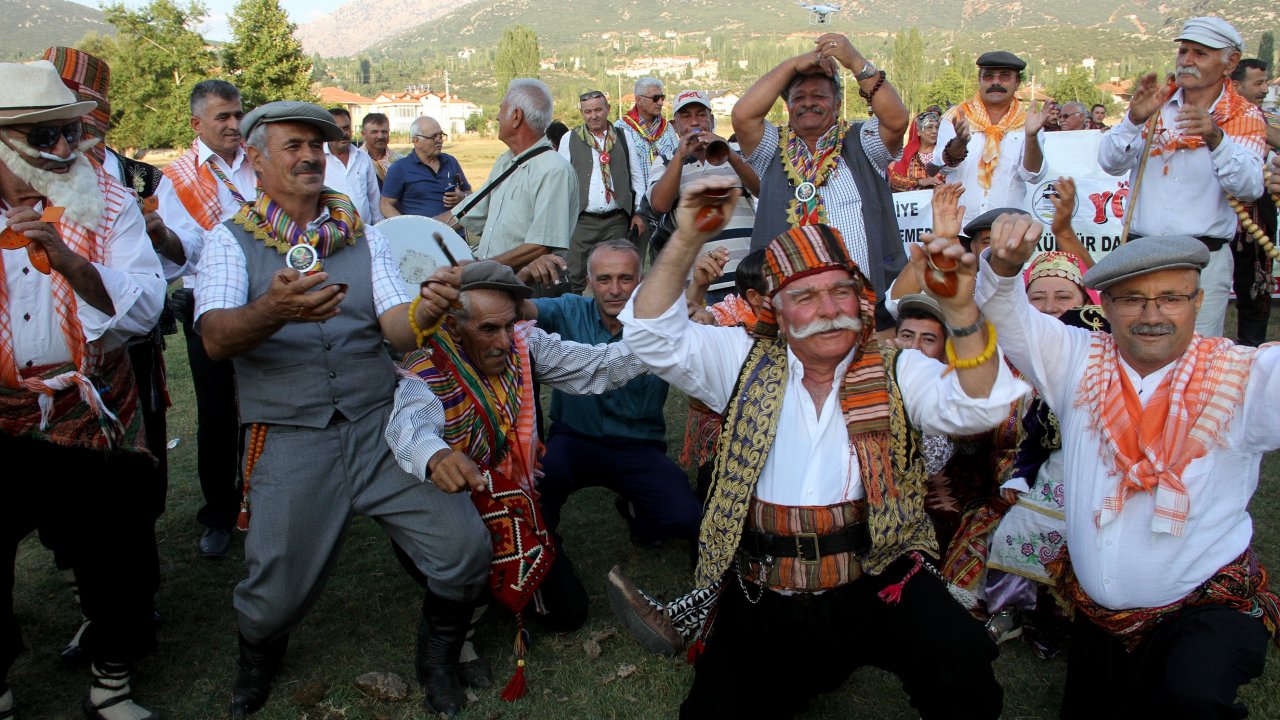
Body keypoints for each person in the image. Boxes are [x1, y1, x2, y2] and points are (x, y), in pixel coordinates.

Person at [621, 175, 1029, 718]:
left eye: (841, 291)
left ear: (861, 299)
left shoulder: (898, 369)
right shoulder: (740, 359)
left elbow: (981, 406)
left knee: (965, 667)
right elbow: (649, 334)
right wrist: (688, 236)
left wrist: (960, 314)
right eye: (805, 297)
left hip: (876, 573)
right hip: (764, 582)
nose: (828, 308)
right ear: (776, 309)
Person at [194, 101, 490, 719]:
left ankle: (438, 657)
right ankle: (258, 654)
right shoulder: (229, 240)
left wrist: (429, 309)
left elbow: (396, 328)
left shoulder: (361, 235)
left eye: (317, 146)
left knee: (463, 546)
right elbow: (216, 340)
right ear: (256, 159)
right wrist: (272, 310)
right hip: (292, 434)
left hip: (380, 425)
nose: (310, 156)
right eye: (294, 145)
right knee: (273, 593)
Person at [978, 215, 1280, 719]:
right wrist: (1004, 268)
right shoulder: (1078, 360)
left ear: (1199, 302)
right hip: (1099, 620)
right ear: (1107, 306)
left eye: (1171, 298)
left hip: (1203, 607)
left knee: (1192, 701)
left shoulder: (1242, 376)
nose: (1151, 314)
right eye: (1132, 299)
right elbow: (1008, 315)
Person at [383, 259, 652, 694]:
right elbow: (409, 427)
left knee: (568, 613)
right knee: (464, 552)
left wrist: (667, 343)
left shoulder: (524, 344)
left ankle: (498, 584)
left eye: (510, 325)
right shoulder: (427, 365)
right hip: (452, 509)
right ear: (453, 327)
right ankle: (461, 630)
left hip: (511, 502)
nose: (505, 342)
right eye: (488, 329)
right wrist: (436, 456)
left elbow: (596, 366)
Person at [0, 59, 167, 720]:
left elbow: (145, 307)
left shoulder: (111, 201)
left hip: (94, 402)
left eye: (71, 132)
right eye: (45, 137)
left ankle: (111, 682)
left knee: (118, 551)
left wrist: (71, 263)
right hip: (1, 414)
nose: (66, 149)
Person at [529, 239, 701, 555]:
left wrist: (703, 317)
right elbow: (514, 309)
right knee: (537, 489)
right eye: (604, 279)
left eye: (625, 278)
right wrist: (521, 277)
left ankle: (636, 508)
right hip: (574, 440)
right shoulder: (568, 309)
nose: (615, 290)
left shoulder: (660, 323)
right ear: (589, 281)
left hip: (638, 444)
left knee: (685, 518)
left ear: (641, 281)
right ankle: (545, 550)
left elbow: (702, 327)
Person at [1097, 16, 1266, 338]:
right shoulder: (1156, 105)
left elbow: (1248, 188)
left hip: (1203, 262)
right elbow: (1110, 163)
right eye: (1183, 51)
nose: (1187, 60)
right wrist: (1133, 120)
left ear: (1230, 62)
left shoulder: (1243, 115)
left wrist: (1215, 138)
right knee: (1134, 346)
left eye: (1200, 53)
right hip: (1141, 255)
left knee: (1197, 352)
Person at [735, 32, 909, 311]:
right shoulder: (772, 147)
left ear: (837, 105)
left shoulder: (861, 140)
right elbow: (743, 116)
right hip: (795, 309)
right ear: (788, 107)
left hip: (865, 303)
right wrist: (794, 64)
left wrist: (855, 61)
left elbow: (897, 119)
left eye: (819, 95)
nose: (808, 103)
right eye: (798, 97)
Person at [160, 78, 256, 559]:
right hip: (209, 305)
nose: (235, 124)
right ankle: (220, 512)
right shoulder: (174, 178)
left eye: (238, 114)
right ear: (197, 124)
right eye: (224, 117)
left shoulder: (260, 159)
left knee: (268, 404)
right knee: (217, 413)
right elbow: (178, 255)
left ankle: (266, 502)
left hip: (266, 299)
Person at [445, 79, 577, 276]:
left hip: (523, 287)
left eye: (501, 109)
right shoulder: (505, 162)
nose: (497, 117)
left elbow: (541, 246)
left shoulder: (553, 170)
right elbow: (467, 212)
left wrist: (479, 268)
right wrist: (416, 227)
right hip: (492, 279)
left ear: (516, 116)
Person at [647, 89, 758, 297]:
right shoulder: (665, 161)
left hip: (745, 275)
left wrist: (728, 152)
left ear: (712, 121)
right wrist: (680, 157)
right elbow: (659, 205)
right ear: (675, 126)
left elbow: (761, 190)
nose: (694, 122)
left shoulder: (737, 151)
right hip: (698, 283)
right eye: (686, 116)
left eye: (701, 115)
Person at [937, 50, 1050, 226]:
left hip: (1008, 227)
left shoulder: (1028, 122)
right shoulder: (957, 116)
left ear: (1017, 83)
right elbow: (942, 166)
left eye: (1005, 76)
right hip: (959, 226)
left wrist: (1031, 136)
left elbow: (1032, 175)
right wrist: (960, 142)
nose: (996, 82)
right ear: (979, 80)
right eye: (988, 76)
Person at [558, 91, 644, 292]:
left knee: (617, 274)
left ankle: (617, 311)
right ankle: (576, 311)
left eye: (598, 110)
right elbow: (561, 182)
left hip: (617, 221)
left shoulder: (624, 137)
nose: (593, 116)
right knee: (574, 277)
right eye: (588, 111)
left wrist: (639, 212)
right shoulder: (569, 138)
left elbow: (637, 178)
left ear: (608, 109)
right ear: (582, 113)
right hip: (582, 221)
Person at [1228, 58, 1277, 346]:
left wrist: (1258, 126)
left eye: (1266, 82)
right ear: (1235, 86)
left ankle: (1252, 349)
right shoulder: (1212, 119)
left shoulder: (1266, 120)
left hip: (1257, 218)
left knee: (1256, 289)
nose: (1265, 89)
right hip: (1216, 221)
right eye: (1258, 83)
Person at [380, 116, 470, 219]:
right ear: (417, 141)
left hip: (454, 227)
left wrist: (463, 197)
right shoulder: (400, 168)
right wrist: (406, 225)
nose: (439, 140)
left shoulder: (451, 162)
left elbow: (469, 193)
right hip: (421, 228)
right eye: (434, 136)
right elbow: (385, 205)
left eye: (440, 135)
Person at [615, 77, 679, 222]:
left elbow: (677, 161)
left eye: (662, 97)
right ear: (638, 100)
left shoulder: (667, 128)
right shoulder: (621, 128)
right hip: (636, 210)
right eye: (655, 98)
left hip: (665, 206)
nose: (661, 102)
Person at [323, 107, 381, 224]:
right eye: (337, 129)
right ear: (328, 131)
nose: (343, 134)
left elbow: (374, 199)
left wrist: (378, 226)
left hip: (365, 230)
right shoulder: (319, 160)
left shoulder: (363, 158)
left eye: (346, 128)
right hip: (333, 232)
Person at [889, 107, 945, 191]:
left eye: (937, 127)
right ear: (918, 131)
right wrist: (920, 182)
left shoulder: (944, 153)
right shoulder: (907, 154)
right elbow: (894, 180)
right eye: (929, 127)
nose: (934, 131)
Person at [359, 112, 401, 188]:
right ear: (363, 134)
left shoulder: (399, 161)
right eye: (374, 132)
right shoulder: (356, 161)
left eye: (384, 132)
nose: (380, 136)